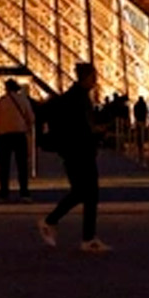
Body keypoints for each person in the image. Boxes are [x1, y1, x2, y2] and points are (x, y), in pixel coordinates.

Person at [36, 62, 109, 254]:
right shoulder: (77, 99)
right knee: (86, 193)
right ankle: (55, 223)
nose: (96, 80)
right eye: (94, 77)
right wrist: (97, 131)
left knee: (86, 194)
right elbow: (81, 127)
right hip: (79, 151)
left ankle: (85, 237)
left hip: (75, 151)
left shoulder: (75, 97)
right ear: (85, 78)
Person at [0, 79, 34, 201]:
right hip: (19, 135)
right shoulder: (23, 100)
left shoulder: (1, 101)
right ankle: (24, 193)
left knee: (4, 167)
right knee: (22, 166)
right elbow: (31, 118)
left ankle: (4, 193)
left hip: (4, 136)